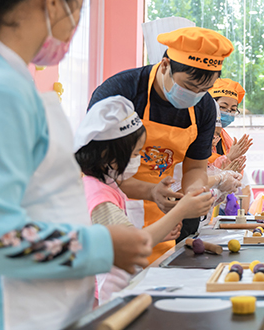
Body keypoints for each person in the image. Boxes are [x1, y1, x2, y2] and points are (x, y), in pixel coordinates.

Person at [0, 0, 152, 330]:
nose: (76, 21)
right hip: (6, 313)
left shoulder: (4, 79)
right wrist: (102, 246)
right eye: (78, 6)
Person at [89, 27, 241, 262]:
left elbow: (195, 167)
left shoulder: (203, 107)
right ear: (165, 65)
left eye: (204, 90)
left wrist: (193, 194)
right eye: (189, 86)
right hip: (111, 205)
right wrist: (150, 192)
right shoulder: (121, 93)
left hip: (164, 216)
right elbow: (96, 168)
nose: (195, 95)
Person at [74, 96, 215, 302]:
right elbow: (134, 243)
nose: (139, 160)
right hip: (108, 297)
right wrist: (181, 210)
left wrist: (162, 233)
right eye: (135, 153)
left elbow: (123, 234)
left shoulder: (107, 185)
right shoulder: (99, 196)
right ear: (106, 154)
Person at [208, 78, 253, 169]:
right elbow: (198, 169)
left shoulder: (225, 138)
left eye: (233, 109)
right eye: (222, 107)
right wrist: (228, 158)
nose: (228, 113)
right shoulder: (195, 133)